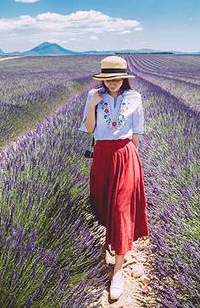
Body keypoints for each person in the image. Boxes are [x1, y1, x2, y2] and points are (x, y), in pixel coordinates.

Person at [78, 55, 149, 301]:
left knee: (121, 209)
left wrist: (135, 163)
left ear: (124, 78)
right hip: (102, 156)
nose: (113, 83)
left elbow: (137, 132)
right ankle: (111, 247)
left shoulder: (135, 98)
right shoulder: (93, 96)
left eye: (117, 78)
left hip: (126, 154)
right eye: (108, 78)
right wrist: (91, 105)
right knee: (103, 205)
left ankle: (118, 271)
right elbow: (89, 129)